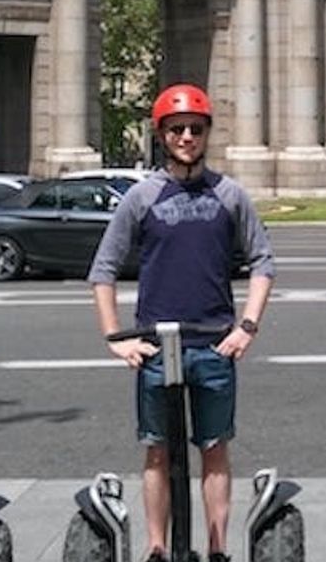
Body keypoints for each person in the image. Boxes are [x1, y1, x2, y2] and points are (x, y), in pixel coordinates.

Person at [89, 83, 277, 562]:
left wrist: (247, 326)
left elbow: (263, 263)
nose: (187, 136)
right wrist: (116, 337)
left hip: (214, 345)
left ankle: (216, 548)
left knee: (214, 449)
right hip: (156, 346)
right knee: (157, 451)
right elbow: (103, 269)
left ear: (207, 132)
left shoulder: (230, 194)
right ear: (162, 135)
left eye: (195, 128)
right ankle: (157, 548)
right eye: (177, 129)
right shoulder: (141, 196)